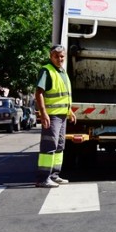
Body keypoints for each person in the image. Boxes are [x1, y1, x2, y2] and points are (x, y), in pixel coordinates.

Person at [34, 44, 76, 188]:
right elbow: (38, 93)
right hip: (52, 116)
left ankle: (54, 175)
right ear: (50, 57)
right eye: (56, 56)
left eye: (62, 56)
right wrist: (43, 113)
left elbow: (63, 96)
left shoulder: (62, 72)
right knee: (49, 146)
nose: (60, 59)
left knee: (59, 146)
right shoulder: (47, 71)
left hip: (62, 116)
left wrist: (70, 111)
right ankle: (42, 178)